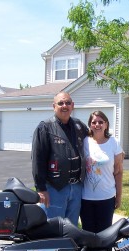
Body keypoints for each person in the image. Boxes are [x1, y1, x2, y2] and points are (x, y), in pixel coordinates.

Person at [31, 92, 88, 226]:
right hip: (54, 189)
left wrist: (115, 149)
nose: (64, 106)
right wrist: (41, 189)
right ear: (54, 106)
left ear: (72, 106)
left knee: (71, 227)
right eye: (61, 103)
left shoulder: (79, 126)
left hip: (77, 187)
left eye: (68, 103)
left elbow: (96, 140)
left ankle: (68, 248)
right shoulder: (44, 127)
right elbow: (37, 160)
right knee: (53, 228)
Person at [80, 110, 124, 233]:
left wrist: (118, 196)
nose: (97, 125)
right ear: (90, 125)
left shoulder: (114, 143)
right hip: (86, 198)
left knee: (105, 235)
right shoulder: (84, 142)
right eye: (94, 122)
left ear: (106, 124)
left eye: (101, 122)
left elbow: (119, 172)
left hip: (107, 197)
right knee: (88, 233)